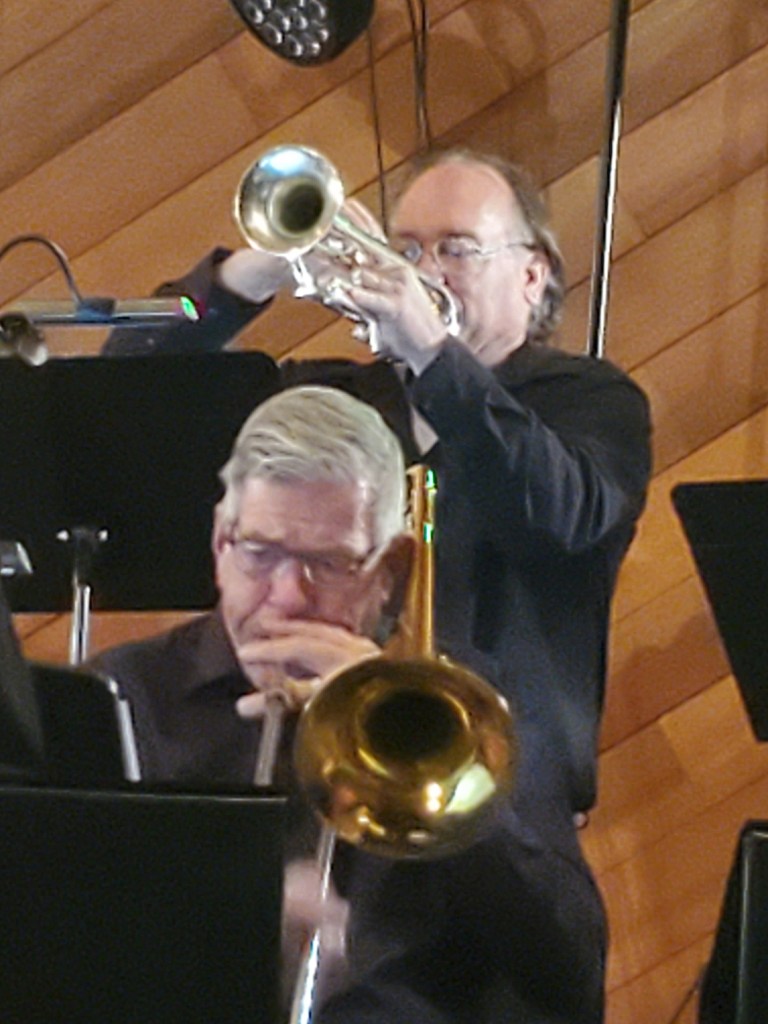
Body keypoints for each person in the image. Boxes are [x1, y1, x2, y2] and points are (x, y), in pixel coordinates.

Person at [100, 147, 653, 1022]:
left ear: (533, 273)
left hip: (501, 806)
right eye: (407, 248)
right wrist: (257, 270)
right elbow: (130, 381)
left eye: (456, 248)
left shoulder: (589, 401)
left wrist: (432, 349)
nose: (423, 270)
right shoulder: (334, 398)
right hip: (321, 775)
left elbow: (560, 513)